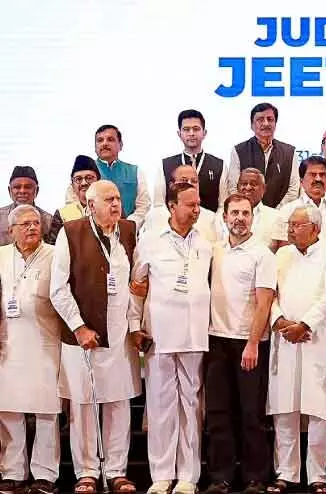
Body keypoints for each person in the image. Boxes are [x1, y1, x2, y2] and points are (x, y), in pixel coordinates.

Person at [50, 180, 142, 494]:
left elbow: (135, 283)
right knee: (83, 405)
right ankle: (87, 472)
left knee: (119, 404)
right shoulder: (71, 232)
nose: (116, 204)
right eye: (108, 199)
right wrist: (79, 327)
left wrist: (135, 325)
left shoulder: (128, 231)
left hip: (119, 334)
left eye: (117, 198)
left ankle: (117, 471)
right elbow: (58, 289)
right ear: (91, 205)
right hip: (83, 335)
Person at [128, 183, 214, 494]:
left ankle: (188, 476)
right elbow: (137, 287)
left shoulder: (206, 243)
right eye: (190, 205)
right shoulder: (150, 242)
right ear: (172, 206)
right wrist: (134, 325)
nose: (196, 210)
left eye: (198, 204)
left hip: (194, 335)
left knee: (191, 405)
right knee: (161, 406)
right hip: (160, 335)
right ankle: (161, 475)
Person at [267, 206, 326, 494]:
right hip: (285, 338)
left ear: (315, 228)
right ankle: (286, 474)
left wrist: (304, 324)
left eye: (297, 225)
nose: (290, 229)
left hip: (316, 338)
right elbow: (269, 293)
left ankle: (318, 476)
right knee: (284, 408)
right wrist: (279, 321)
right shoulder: (281, 255)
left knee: (317, 410)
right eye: (290, 224)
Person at [203, 194, 276, 494]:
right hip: (216, 340)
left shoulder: (262, 254)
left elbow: (264, 303)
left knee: (251, 413)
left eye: (245, 213)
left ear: (252, 217)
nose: (240, 218)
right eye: (234, 213)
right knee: (218, 412)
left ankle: (255, 477)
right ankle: (220, 477)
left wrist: (253, 343)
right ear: (224, 217)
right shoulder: (214, 250)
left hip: (250, 342)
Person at [0, 205, 65, 494]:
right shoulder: (1, 256)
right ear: (10, 230)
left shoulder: (55, 254)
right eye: (25, 224)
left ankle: (45, 474)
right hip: (8, 341)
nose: (32, 228)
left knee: (46, 410)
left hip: (45, 341)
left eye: (36, 223)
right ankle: (13, 471)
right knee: (9, 408)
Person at [274, 157, 326, 255]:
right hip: (299, 263)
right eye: (313, 175)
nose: (318, 179)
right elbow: (284, 247)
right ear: (301, 181)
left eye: (322, 175)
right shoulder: (287, 210)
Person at [228, 103, 300, 208]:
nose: (266, 123)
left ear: (275, 124)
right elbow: (233, 188)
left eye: (270, 119)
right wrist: (246, 210)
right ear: (252, 125)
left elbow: (293, 189)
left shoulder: (289, 152)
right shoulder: (239, 150)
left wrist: (276, 213)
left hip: (280, 214)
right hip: (247, 213)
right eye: (260, 120)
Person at [157, 109, 228, 212]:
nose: (191, 133)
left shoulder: (219, 165)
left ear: (204, 133)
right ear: (179, 134)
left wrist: (212, 221)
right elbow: (159, 205)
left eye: (196, 129)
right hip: (174, 221)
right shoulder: (165, 165)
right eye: (186, 129)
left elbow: (223, 205)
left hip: (210, 221)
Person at [89, 125, 151, 229]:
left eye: (110, 139)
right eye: (100, 140)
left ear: (120, 145)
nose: (104, 143)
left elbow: (144, 205)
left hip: (129, 231)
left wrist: (127, 226)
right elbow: (75, 202)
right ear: (95, 147)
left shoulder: (135, 171)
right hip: (93, 231)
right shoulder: (86, 173)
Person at [142, 165, 220, 243]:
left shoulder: (210, 218)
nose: (190, 184)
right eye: (184, 180)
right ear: (171, 185)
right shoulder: (154, 217)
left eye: (194, 181)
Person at [46, 155, 99, 244]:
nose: (84, 183)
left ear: (98, 181)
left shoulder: (111, 207)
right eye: (78, 179)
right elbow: (53, 246)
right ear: (72, 185)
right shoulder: (62, 214)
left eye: (89, 178)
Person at [0, 165, 53, 245]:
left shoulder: (48, 220)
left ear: (37, 191)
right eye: (17, 187)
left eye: (28, 187)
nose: (22, 191)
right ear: (9, 190)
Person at [231, 168, 281, 248]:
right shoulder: (226, 216)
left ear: (264, 188)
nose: (248, 188)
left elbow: (281, 250)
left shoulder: (276, 217)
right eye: (244, 184)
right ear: (237, 187)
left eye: (253, 184)